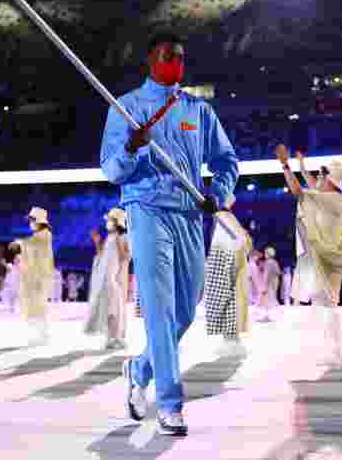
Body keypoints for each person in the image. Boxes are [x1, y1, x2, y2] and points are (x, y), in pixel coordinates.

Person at [101, 34, 239, 436]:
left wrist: (220, 191)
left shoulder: (198, 110)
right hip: (146, 211)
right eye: (167, 56)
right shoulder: (126, 109)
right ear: (150, 60)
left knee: (185, 311)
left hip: (190, 213)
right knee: (160, 309)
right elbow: (111, 170)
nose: (175, 63)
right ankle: (170, 403)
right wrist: (130, 147)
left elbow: (226, 159)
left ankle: (140, 367)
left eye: (180, 57)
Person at [279, 148, 342, 370]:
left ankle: (336, 353)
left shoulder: (334, 200)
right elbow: (311, 186)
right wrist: (301, 166)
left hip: (329, 258)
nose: (317, 178)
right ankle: (333, 351)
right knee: (323, 305)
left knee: (327, 306)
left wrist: (285, 165)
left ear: (329, 180)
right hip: (326, 257)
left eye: (321, 176)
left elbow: (299, 191)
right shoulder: (332, 198)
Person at [204, 210, 252, 357]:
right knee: (230, 302)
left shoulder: (224, 217)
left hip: (229, 263)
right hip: (231, 263)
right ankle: (231, 340)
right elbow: (244, 241)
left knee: (229, 301)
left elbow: (240, 241)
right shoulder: (225, 217)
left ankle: (231, 341)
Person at [84, 208, 132, 350]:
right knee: (109, 309)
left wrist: (117, 241)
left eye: (110, 220)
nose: (108, 223)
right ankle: (110, 336)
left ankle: (118, 337)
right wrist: (97, 242)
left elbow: (125, 257)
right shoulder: (110, 237)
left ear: (117, 222)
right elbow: (102, 255)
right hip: (106, 279)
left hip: (117, 278)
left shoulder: (123, 237)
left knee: (117, 309)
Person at [11, 207, 55, 346]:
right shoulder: (38, 236)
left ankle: (42, 335)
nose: (30, 223)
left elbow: (32, 244)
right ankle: (39, 334)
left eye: (31, 220)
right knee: (33, 306)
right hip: (34, 277)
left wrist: (19, 243)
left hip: (39, 278)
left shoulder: (45, 234)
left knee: (38, 306)